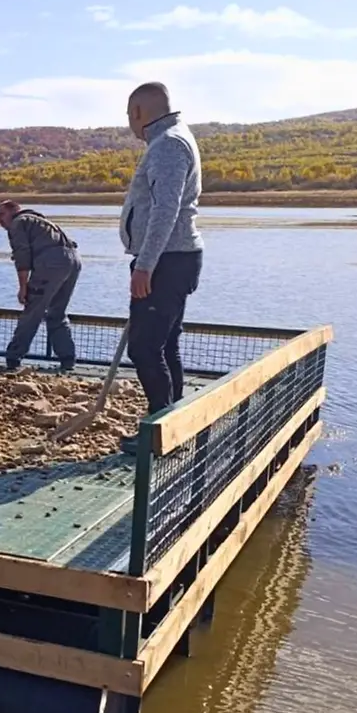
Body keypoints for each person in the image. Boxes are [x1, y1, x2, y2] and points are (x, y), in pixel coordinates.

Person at [119, 81, 205, 452]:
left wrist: (146, 266)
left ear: (139, 112)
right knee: (165, 345)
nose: (128, 124)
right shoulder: (170, 139)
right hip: (173, 259)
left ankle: (160, 434)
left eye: (128, 116)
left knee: (144, 347)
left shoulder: (168, 144)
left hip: (167, 261)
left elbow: (165, 210)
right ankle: (172, 426)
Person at [0, 200, 81, 372]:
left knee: (32, 310)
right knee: (57, 312)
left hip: (51, 263)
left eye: (1, 215)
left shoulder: (19, 223)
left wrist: (23, 288)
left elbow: (22, 257)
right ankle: (67, 359)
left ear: (14, 210)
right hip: (73, 261)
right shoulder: (42, 221)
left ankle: (13, 359)